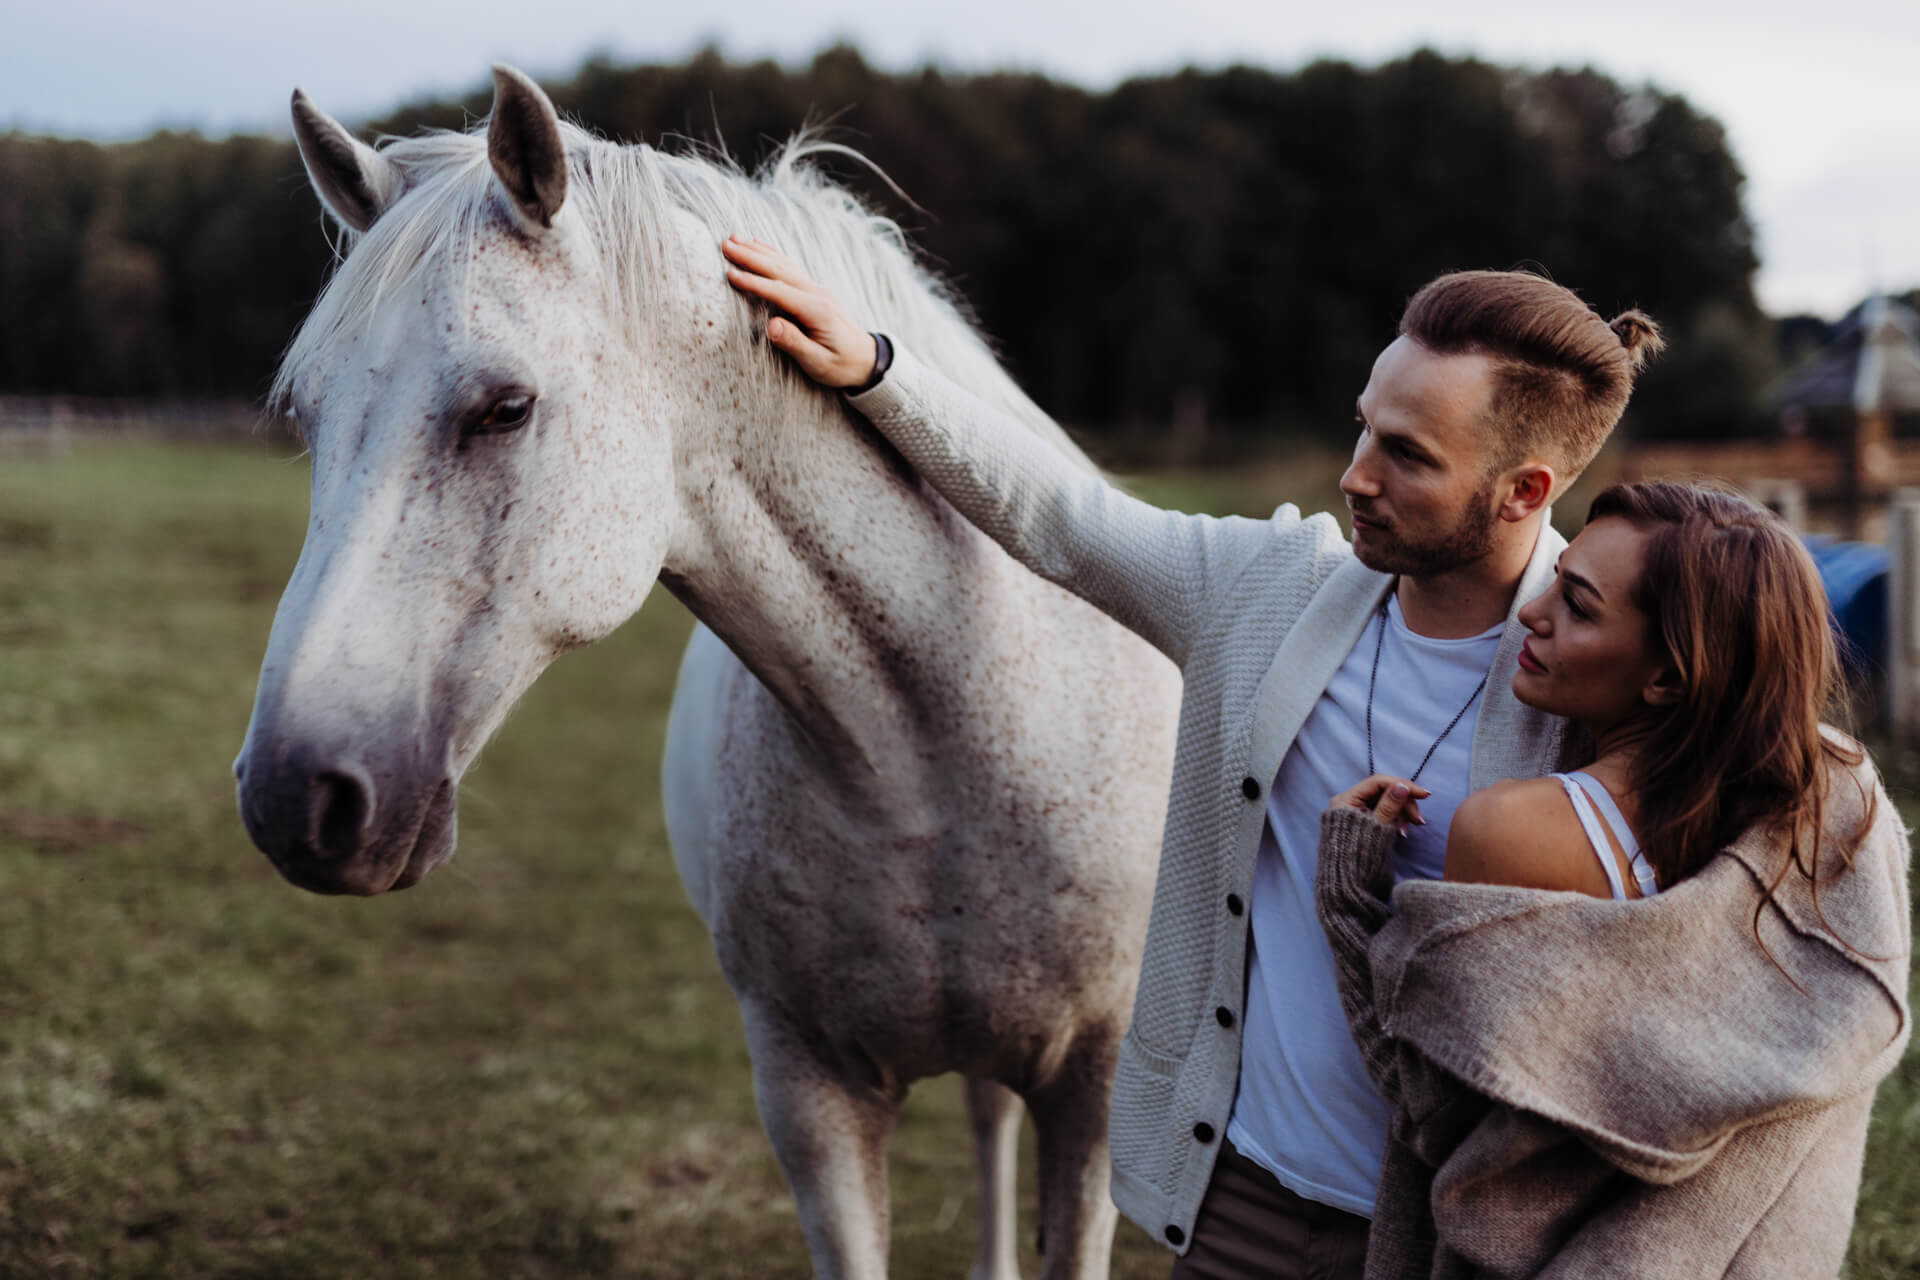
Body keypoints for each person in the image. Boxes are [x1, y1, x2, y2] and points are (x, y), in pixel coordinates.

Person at [722, 234, 1660, 1276]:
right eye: (1364, 428)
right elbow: (1064, 519)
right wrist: (881, 370)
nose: (1354, 475)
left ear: (1525, 491)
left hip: (1460, 1232)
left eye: (1408, 455)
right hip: (1241, 1204)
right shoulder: (1268, 591)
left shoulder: (1608, 681)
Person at [1315, 482, 1911, 1277]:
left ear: (1666, 678)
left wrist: (1351, 899)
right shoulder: (1831, 803)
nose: (1534, 613)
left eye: (1580, 607)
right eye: (1558, 578)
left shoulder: (1514, 831)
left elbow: (1441, 1116)